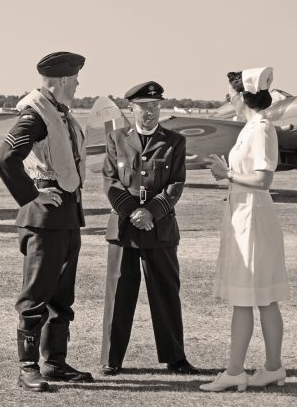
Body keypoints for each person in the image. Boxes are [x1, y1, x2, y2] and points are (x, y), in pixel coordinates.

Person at [0, 51, 93, 392]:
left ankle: (54, 362)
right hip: (44, 218)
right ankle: (28, 367)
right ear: (64, 80)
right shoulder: (35, 114)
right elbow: (7, 158)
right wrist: (32, 195)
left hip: (66, 215)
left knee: (61, 296)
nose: (79, 83)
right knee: (36, 295)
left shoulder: (59, 113)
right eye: (76, 78)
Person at [99, 81, 199, 376]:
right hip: (124, 228)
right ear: (131, 108)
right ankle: (111, 359)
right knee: (118, 294)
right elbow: (110, 181)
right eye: (144, 107)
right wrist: (132, 212)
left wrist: (151, 212)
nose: (150, 112)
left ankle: (175, 357)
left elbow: (176, 183)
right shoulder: (116, 138)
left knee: (166, 293)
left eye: (155, 106)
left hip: (160, 227)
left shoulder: (174, 141)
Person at [200, 67, 289, 392]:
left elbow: (264, 179)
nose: (229, 98)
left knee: (248, 297)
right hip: (248, 216)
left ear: (241, 96)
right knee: (264, 298)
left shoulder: (260, 129)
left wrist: (228, 175)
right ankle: (271, 368)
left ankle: (237, 371)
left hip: (252, 219)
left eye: (231, 93)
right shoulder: (253, 127)